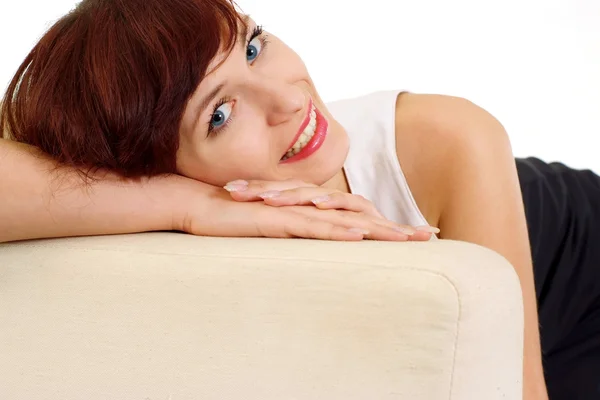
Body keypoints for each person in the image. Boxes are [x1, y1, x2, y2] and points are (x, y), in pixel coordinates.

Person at [0, 0, 598, 398]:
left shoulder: (447, 136)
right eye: (222, 113)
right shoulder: (174, 206)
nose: (288, 101)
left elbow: (512, 387)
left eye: (253, 48)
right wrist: (189, 206)